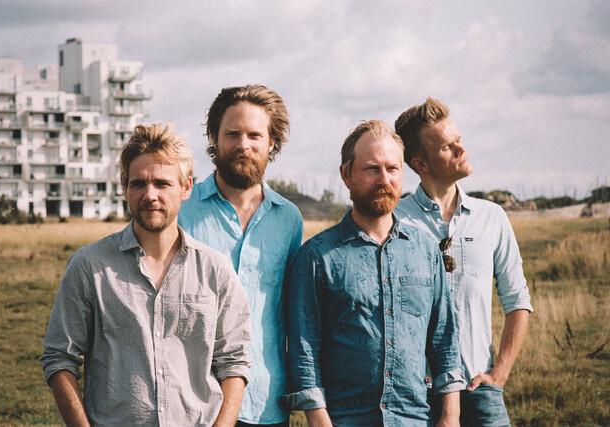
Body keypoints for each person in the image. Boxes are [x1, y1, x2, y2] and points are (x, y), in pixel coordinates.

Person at [41, 124, 251, 426]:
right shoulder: (89, 266)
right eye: (138, 183)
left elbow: (234, 362)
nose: (150, 195)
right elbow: (59, 358)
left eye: (162, 184)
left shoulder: (215, 269)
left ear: (186, 188)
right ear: (125, 187)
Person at [285, 120, 464, 426]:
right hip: (345, 419)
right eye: (372, 169)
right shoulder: (316, 257)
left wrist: (450, 416)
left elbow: (444, 338)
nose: (384, 179)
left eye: (392, 169)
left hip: (414, 418)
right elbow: (304, 349)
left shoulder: (425, 250)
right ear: (346, 174)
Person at [394, 98, 533, 426]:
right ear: (421, 164)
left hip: (479, 388)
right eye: (447, 147)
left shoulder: (492, 217)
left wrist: (498, 375)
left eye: (459, 140)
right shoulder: (394, 220)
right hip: (416, 395)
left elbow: (518, 301)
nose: (461, 149)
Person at [178, 84, 303, 426]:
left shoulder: (289, 219)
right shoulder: (182, 209)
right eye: (232, 134)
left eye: (254, 135)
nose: (243, 145)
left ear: (271, 142)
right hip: (192, 397)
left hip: (265, 398)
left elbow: (290, 310)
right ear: (214, 138)